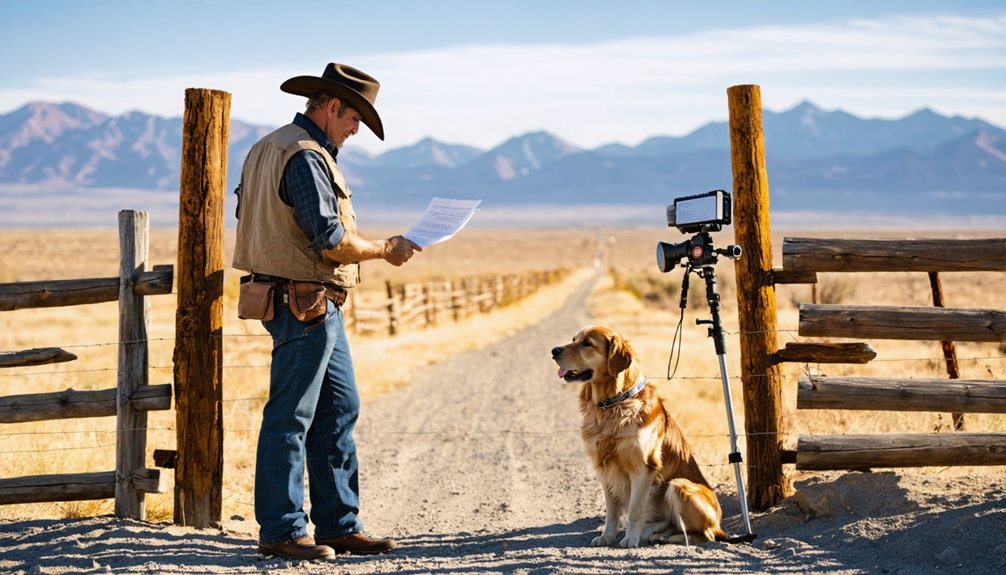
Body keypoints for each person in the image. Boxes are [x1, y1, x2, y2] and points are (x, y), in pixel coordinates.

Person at [233, 62, 421, 561]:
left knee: (338, 410)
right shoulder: (305, 155)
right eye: (355, 118)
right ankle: (282, 530)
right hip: (303, 301)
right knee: (291, 417)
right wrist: (386, 248)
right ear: (332, 106)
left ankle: (338, 524)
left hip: (308, 302)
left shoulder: (267, 147)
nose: (356, 129)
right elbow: (329, 238)